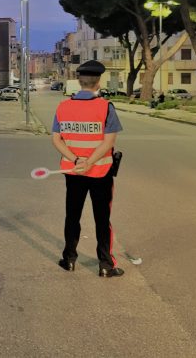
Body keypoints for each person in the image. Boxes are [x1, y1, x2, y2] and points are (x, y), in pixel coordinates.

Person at [51, 60, 125, 278]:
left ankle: (69, 259)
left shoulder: (63, 107)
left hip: (73, 173)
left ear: (79, 82)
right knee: (102, 219)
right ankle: (105, 265)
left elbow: (56, 140)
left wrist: (76, 160)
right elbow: (108, 142)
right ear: (98, 82)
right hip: (100, 173)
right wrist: (90, 162)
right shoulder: (106, 107)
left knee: (72, 216)